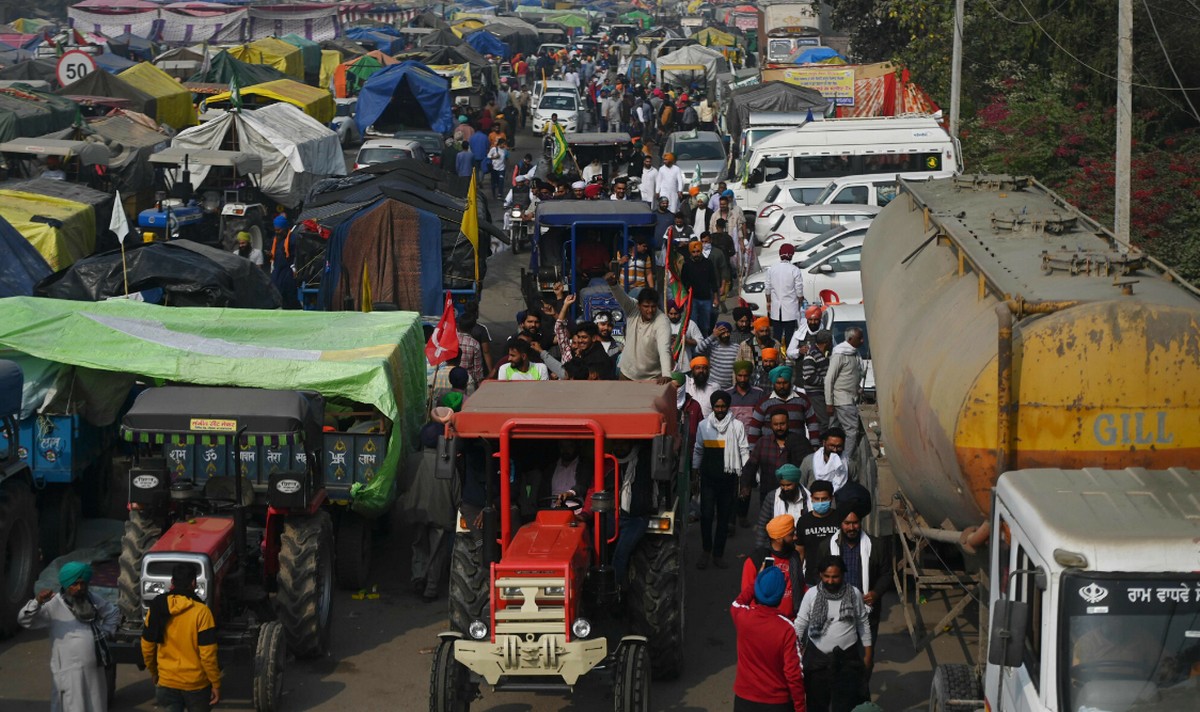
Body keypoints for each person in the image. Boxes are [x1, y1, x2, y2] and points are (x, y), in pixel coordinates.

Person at [18, 562, 120, 712]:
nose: (80, 588)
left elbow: (113, 613)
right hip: (69, 673)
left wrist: (105, 632)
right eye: (75, 584)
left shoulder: (91, 599)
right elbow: (25, 620)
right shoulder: (54, 605)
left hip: (95, 672)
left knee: (96, 705)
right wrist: (37, 602)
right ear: (66, 585)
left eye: (83, 583)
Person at [794, 556, 873, 712]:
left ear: (843, 575)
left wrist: (868, 655)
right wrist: (795, 652)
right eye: (827, 577)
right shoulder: (811, 594)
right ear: (821, 576)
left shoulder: (854, 594)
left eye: (835, 577)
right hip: (817, 660)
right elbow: (800, 624)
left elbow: (862, 623)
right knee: (816, 705)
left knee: (846, 704)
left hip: (848, 659)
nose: (830, 581)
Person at [141, 563, 221, 712]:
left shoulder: (157, 607)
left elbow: (147, 645)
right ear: (193, 583)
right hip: (196, 686)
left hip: (167, 682)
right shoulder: (202, 612)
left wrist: (154, 671)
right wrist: (215, 683)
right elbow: (208, 654)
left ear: (172, 582)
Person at [731, 566, 808, 712]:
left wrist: (756, 582)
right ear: (780, 595)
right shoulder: (786, 628)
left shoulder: (742, 616)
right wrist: (800, 707)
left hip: (744, 700)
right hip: (777, 703)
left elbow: (738, 601)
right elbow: (793, 674)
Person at [404, 406, 461, 602]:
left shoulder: (412, 460)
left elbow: (403, 485)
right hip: (440, 513)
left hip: (415, 511)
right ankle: (431, 588)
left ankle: (417, 577)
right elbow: (456, 493)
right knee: (437, 551)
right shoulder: (447, 463)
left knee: (418, 545)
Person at [692, 390, 749, 570]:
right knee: (707, 516)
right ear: (713, 407)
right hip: (708, 479)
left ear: (728, 406)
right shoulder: (703, 426)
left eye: (723, 406)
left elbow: (744, 451)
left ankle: (718, 554)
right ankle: (706, 551)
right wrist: (694, 474)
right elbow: (698, 450)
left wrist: (746, 479)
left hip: (728, 480)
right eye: (717, 406)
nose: (720, 409)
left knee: (724, 519)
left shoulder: (737, 426)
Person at [817, 508, 890, 645]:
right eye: (847, 523)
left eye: (855, 523)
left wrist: (876, 593)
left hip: (866, 611)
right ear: (840, 524)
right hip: (835, 612)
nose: (851, 527)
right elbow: (818, 576)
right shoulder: (826, 547)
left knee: (864, 656)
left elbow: (886, 574)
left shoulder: (876, 546)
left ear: (860, 522)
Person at [741, 408, 813, 510]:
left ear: (788, 423)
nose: (779, 427)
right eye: (776, 424)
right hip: (768, 494)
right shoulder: (763, 442)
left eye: (782, 424)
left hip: (793, 495)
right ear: (771, 425)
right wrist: (745, 485)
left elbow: (809, 467)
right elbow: (751, 465)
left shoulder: (800, 442)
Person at [605, 278, 673, 381]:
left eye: (653, 306)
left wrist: (666, 374)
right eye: (646, 306)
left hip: (652, 378)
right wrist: (613, 284)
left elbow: (664, 348)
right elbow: (622, 297)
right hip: (626, 373)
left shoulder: (662, 321)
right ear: (638, 305)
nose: (650, 310)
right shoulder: (632, 309)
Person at [742, 514, 806, 618]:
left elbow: (801, 585)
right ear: (779, 539)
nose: (795, 537)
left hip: (791, 621)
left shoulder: (794, 557)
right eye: (791, 534)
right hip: (764, 620)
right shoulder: (755, 560)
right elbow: (747, 594)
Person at [747, 365, 822, 448]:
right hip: (771, 450)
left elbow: (813, 423)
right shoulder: (764, 403)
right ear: (774, 383)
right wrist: (752, 450)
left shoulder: (802, 400)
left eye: (785, 383)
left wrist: (814, 445)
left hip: (798, 448)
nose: (782, 386)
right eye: (778, 383)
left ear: (790, 382)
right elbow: (755, 428)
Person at [826, 328, 865, 460]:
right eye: (859, 338)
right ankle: (845, 460)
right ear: (850, 340)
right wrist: (829, 403)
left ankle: (833, 456)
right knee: (852, 431)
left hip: (850, 398)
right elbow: (829, 379)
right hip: (843, 400)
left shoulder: (854, 354)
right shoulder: (839, 355)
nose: (862, 341)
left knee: (834, 429)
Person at [796, 480, 841, 585]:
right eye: (817, 499)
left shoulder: (839, 518)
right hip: (811, 579)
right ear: (811, 498)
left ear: (831, 498)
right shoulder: (804, 521)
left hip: (836, 578)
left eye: (824, 499)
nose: (820, 502)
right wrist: (796, 576)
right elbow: (800, 552)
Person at [755, 464, 809, 548]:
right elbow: (762, 525)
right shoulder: (772, 498)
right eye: (782, 485)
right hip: (779, 547)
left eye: (789, 485)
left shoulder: (808, 498)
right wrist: (760, 550)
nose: (785, 488)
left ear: (796, 482)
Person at [766, 244, 805, 344]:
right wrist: (800, 301)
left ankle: (777, 355)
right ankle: (788, 356)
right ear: (791, 255)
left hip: (776, 309)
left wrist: (769, 302)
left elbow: (768, 289)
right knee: (790, 336)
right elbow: (799, 291)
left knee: (776, 336)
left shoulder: (772, 269)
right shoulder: (794, 270)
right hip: (790, 309)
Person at [679, 240, 720, 333]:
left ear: (701, 251)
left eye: (698, 251)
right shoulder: (687, 265)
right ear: (690, 252)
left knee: (705, 325)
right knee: (693, 324)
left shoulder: (708, 263)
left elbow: (713, 280)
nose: (696, 254)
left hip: (706, 298)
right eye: (693, 252)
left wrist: (716, 298)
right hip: (692, 299)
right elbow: (683, 281)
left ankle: (704, 343)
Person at [802, 330, 834, 432]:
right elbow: (809, 377)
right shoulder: (812, 355)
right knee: (823, 422)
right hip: (815, 394)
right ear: (827, 343)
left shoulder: (824, 354)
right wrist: (827, 381)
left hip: (823, 393)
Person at [801, 427, 850, 494]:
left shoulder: (848, 464)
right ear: (824, 443)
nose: (835, 450)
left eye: (839, 446)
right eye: (832, 446)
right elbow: (801, 486)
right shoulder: (809, 461)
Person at [738, 317, 780, 389]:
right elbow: (738, 366)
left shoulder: (775, 344)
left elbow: (780, 365)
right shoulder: (745, 345)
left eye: (767, 331)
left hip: (769, 384)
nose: (765, 333)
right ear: (756, 332)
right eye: (762, 331)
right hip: (750, 384)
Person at [695, 321, 739, 390]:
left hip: (729, 388)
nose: (726, 335)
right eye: (722, 332)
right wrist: (712, 336)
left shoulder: (736, 347)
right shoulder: (713, 346)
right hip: (713, 386)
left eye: (728, 332)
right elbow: (698, 350)